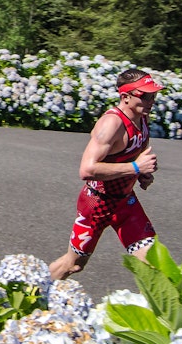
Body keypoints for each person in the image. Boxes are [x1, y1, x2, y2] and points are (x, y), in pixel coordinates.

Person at [49, 69, 163, 280]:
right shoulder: (111, 124)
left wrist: (143, 175)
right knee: (72, 265)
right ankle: (32, 293)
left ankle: (162, 311)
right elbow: (87, 170)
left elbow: (134, 156)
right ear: (125, 96)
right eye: (144, 95)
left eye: (153, 95)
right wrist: (136, 168)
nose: (151, 101)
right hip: (97, 204)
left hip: (126, 203)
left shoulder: (143, 118)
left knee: (154, 263)